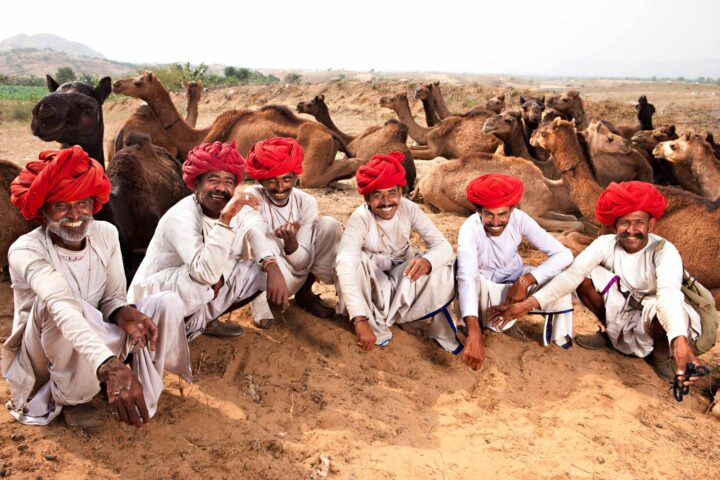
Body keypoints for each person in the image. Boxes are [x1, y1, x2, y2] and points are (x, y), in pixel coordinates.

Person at [3, 146, 189, 432]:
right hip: (44, 353)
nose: (75, 214)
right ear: (43, 211)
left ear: (93, 203)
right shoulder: (25, 250)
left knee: (165, 303)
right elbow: (61, 305)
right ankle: (75, 398)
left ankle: (124, 375)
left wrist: (122, 312)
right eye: (61, 205)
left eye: (83, 203)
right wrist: (109, 364)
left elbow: (113, 296)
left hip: (92, 338)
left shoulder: (105, 233)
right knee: (56, 307)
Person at [488, 181, 707, 385]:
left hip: (658, 309)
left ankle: (661, 355)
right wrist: (527, 306)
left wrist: (679, 341)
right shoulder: (605, 244)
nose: (631, 230)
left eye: (639, 222)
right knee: (583, 278)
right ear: (615, 226)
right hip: (623, 305)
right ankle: (612, 336)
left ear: (651, 224)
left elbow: (668, 296)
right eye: (625, 223)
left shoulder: (665, 251)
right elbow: (571, 276)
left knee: (663, 308)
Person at [128, 141, 287, 340]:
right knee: (203, 280)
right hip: (153, 303)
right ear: (196, 184)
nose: (221, 188)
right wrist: (226, 219)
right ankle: (161, 336)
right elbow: (204, 273)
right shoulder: (182, 215)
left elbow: (255, 226)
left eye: (228, 182)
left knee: (258, 273)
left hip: (194, 292)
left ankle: (203, 323)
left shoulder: (232, 207)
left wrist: (271, 265)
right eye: (213, 180)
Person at [335, 152, 461, 352]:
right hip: (374, 288)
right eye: (377, 195)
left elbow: (442, 246)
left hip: (402, 279)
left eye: (392, 193)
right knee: (353, 261)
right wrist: (359, 319)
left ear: (401, 192)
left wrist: (428, 262)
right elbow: (345, 262)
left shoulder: (409, 209)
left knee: (449, 266)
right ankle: (372, 321)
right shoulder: (360, 218)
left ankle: (416, 322)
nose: (386, 202)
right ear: (367, 198)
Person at [457, 174, 574, 371]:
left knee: (561, 278)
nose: (496, 222)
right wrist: (474, 334)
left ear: (512, 209)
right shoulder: (469, 229)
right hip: (484, 287)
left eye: (502, 214)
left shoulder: (519, 219)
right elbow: (466, 278)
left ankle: (558, 340)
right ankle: (483, 327)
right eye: (489, 215)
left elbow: (564, 255)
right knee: (459, 273)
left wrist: (525, 281)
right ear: (478, 211)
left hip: (516, 281)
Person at [243, 137, 341, 328]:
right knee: (255, 235)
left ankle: (305, 293)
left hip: (297, 271)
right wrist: (271, 263)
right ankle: (260, 303)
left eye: (286, 179)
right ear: (260, 180)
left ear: (296, 177)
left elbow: (302, 261)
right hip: (266, 275)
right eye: (272, 180)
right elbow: (253, 238)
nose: (280, 188)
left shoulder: (306, 202)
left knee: (329, 224)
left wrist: (291, 242)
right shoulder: (252, 196)